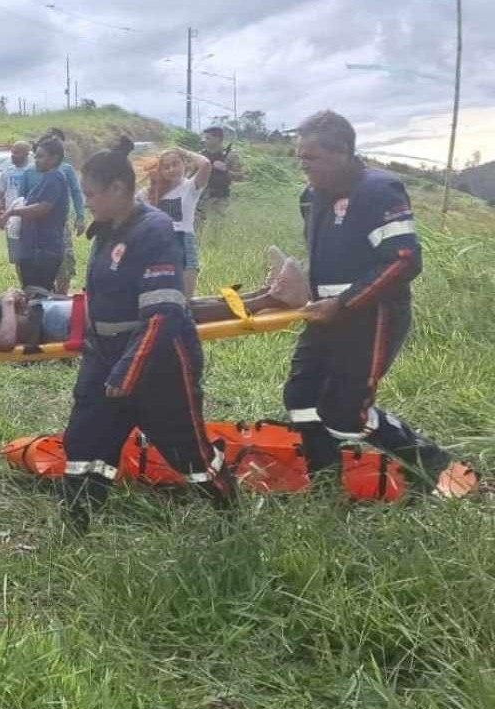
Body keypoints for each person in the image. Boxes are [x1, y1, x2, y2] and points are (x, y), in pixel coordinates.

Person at [283, 110, 476, 497]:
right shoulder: (311, 196)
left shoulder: (379, 191)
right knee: (300, 397)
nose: (303, 165)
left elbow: (403, 259)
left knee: (345, 411)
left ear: (342, 153)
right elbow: (322, 254)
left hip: (372, 317)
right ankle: (326, 483)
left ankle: (441, 468)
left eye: (311, 157)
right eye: (300, 157)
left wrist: (345, 303)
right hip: (323, 315)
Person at [60, 136, 237, 531]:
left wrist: (128, 371)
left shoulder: (153, 231)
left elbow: (165, 313)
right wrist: (99, 357)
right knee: (84, 441)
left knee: (187, 452)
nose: (86, 201)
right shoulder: (107, 229)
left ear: (119, 189)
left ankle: (232, 515)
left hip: (160, 362)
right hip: (106, 356)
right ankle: (76, 525)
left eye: (91, 194)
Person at [0, 246, 309, 352]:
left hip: (60, 310)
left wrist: (14, 300)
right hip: (64, 324)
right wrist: (4, 302)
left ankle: (264, 294)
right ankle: (269, 298)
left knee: (170, 304)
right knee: (169, 310)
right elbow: (3, 343)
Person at [140, 147, 212, 297]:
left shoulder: (190, 186)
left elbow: (205, 164)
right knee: (160, 294)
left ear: (184, 164)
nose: (172, 169)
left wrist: (181, 150)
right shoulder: (149, 193)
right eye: (166, 167)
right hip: (159, 244)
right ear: (160, 171)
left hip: (184, 241)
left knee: (186, 297)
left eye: (175, 164)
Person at [4, 136, 70, 290]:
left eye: (40, 156)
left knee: (38, 295)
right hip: (34, 248)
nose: (36, 160)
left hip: (44, 250)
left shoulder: (55, 178)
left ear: (54, 158)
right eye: (36, 157)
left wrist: (13, 212)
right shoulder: (47, 178)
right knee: (33, 293)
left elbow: (42, 209)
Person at [0, 140, 34, 281]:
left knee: (31, 255)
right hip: (12, 221)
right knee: (17, 257)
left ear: (26, 154)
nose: (13, 155)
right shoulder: (7, 172)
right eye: (12, 152)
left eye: (17, 153)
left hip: (30, 218)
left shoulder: (33, 171)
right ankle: (23, 284)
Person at [200, 126, 243, 207]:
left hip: (220, 200)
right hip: (200, 198)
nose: (203, 141)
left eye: (207, 138)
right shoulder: (200, 155)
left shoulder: (231, 155)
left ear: (218, 139)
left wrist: (225, 170)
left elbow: (241, 177)